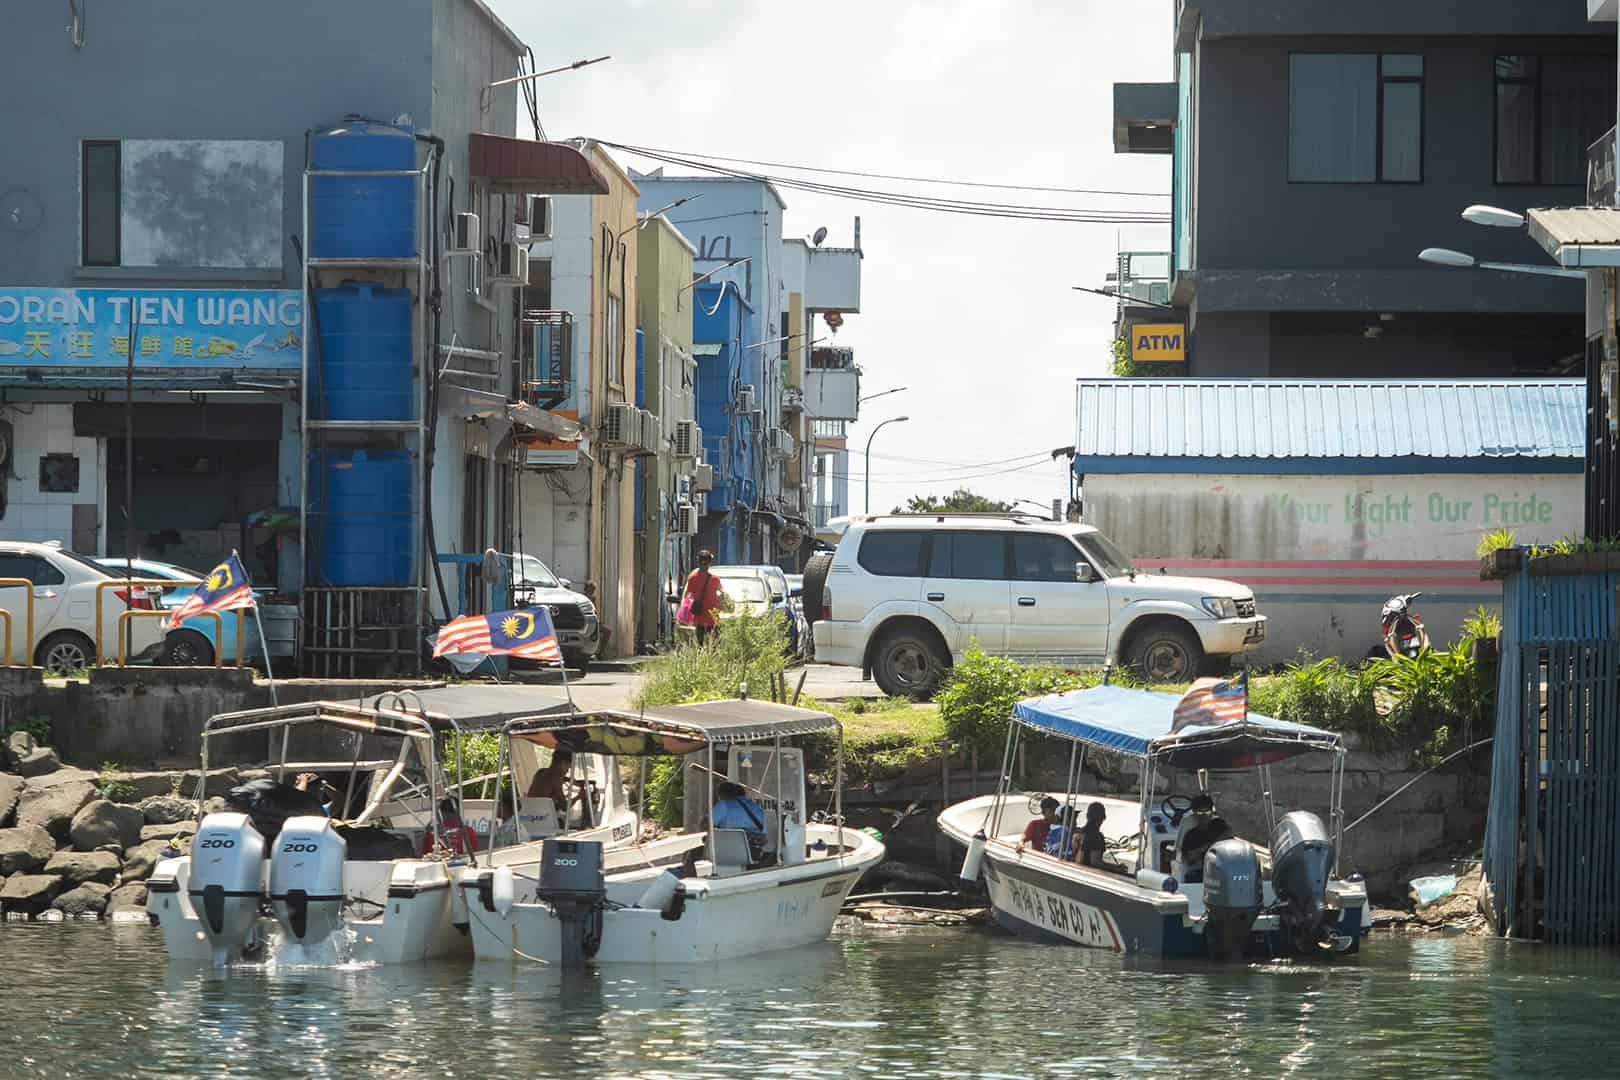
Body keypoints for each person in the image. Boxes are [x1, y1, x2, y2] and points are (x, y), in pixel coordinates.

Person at [681, 550, 725, 645]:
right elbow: (721, 594)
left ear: (698, 562)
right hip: (713, 613)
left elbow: (688, 595)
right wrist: (723, 606)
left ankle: (701, 657)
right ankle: (712, 658)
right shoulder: (715, 579)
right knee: (714, 643)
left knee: (700, 643)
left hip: (698, 613)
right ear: (709, 563)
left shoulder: (692, 578)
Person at [1077, 802, 1108, 868]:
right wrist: (1116, 868)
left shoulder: (1078, 832)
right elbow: (1095, 862)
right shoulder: (1097, 836)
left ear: (1087, 816)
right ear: (1103, 818)